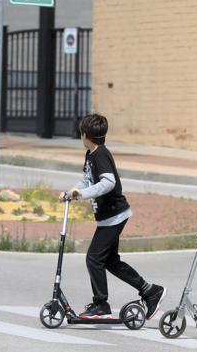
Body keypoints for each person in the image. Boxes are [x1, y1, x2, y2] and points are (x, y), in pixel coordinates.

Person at [59, 113, 166, 320]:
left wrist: (82, 194)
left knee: (93, 258)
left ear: (85, 134)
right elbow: (87, 181)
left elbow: (108, 182)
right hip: (110, 216)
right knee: (110, 261)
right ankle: (151, 291)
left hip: (114, 215)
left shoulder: (101, 155)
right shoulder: (91, 154)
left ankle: (101, 303)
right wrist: (71, 192)